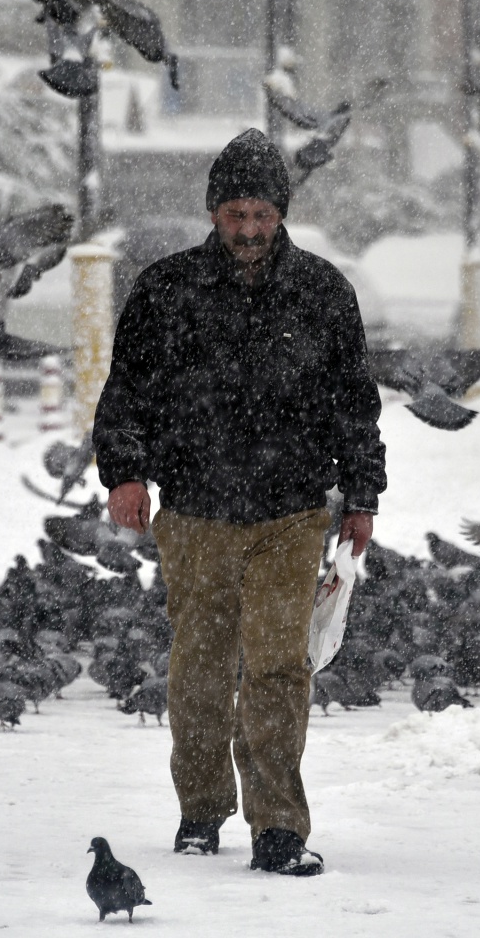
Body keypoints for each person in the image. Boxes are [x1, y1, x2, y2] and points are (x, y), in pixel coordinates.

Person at [93, 128, 387, 877]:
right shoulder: (166, 290)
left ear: (280, 214)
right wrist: (124, 473)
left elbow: (355, 403)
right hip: (193, 509)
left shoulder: (323, 293)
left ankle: (278, 827)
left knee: (279, 667)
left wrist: (362, 494)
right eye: (235, 216)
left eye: (260, 216)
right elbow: (125, 391)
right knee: (198, 666)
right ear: (214, 214)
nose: (248, 231)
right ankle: (201, 809)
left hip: (289, 512)